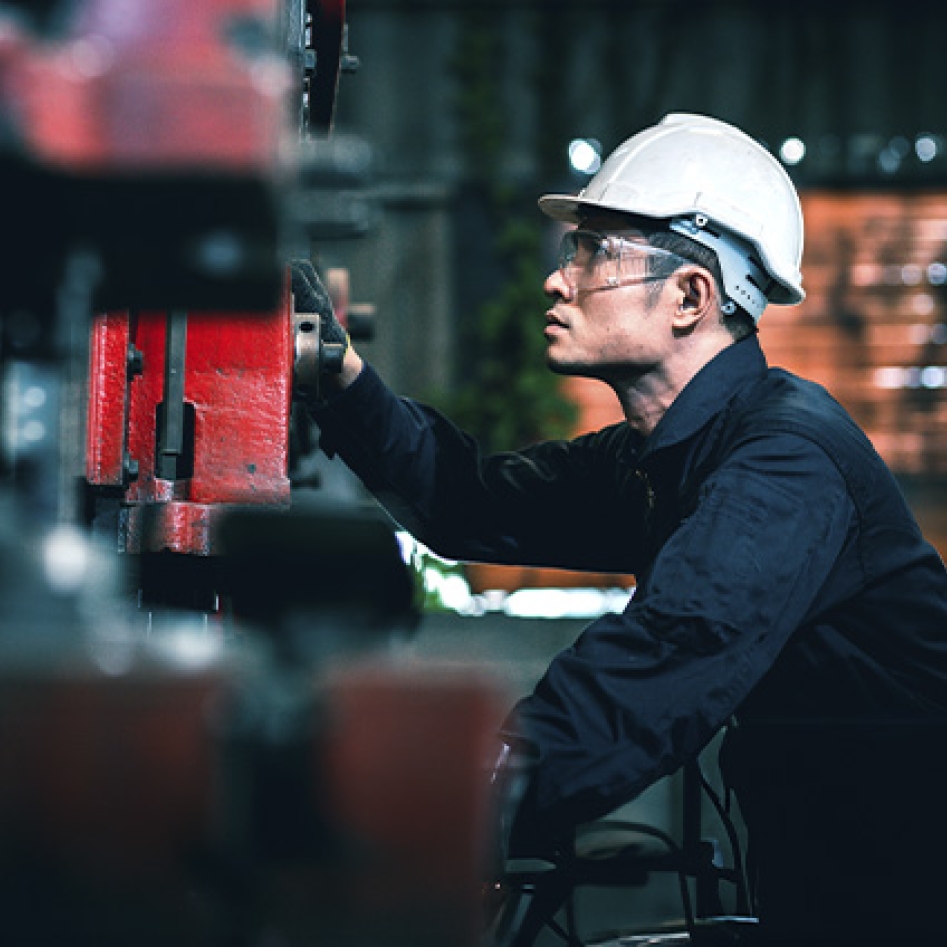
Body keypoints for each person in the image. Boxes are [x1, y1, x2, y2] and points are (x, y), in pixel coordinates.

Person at [294, 113, 947, 946]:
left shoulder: (784, 461)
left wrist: (462, 787)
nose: (555, 279)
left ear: (689, 297)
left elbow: (669, 650)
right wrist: (337, 373)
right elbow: (466, 502)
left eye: (592, 252)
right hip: (827, 888)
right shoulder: (656, 458)